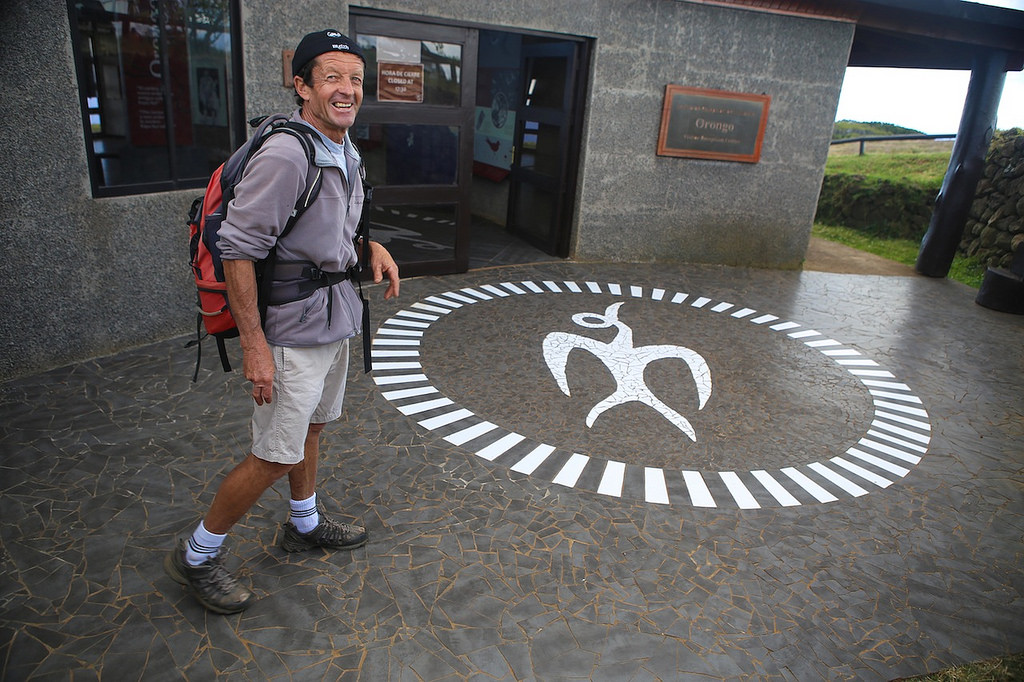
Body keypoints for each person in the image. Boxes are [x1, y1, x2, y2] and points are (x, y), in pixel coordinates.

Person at [164, 29, 400, 614]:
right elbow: (239, 249)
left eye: (355, 80)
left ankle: (303, 522)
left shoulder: (344, 150)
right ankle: (196, 554)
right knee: (274, 453)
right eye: (331, 78)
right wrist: (255, 347)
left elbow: (329, 229)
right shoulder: (287, 154)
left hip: (334, 317)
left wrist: (368, 249)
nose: (346, 90)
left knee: (312, 430)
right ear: (302, 86)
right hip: (292, 331)